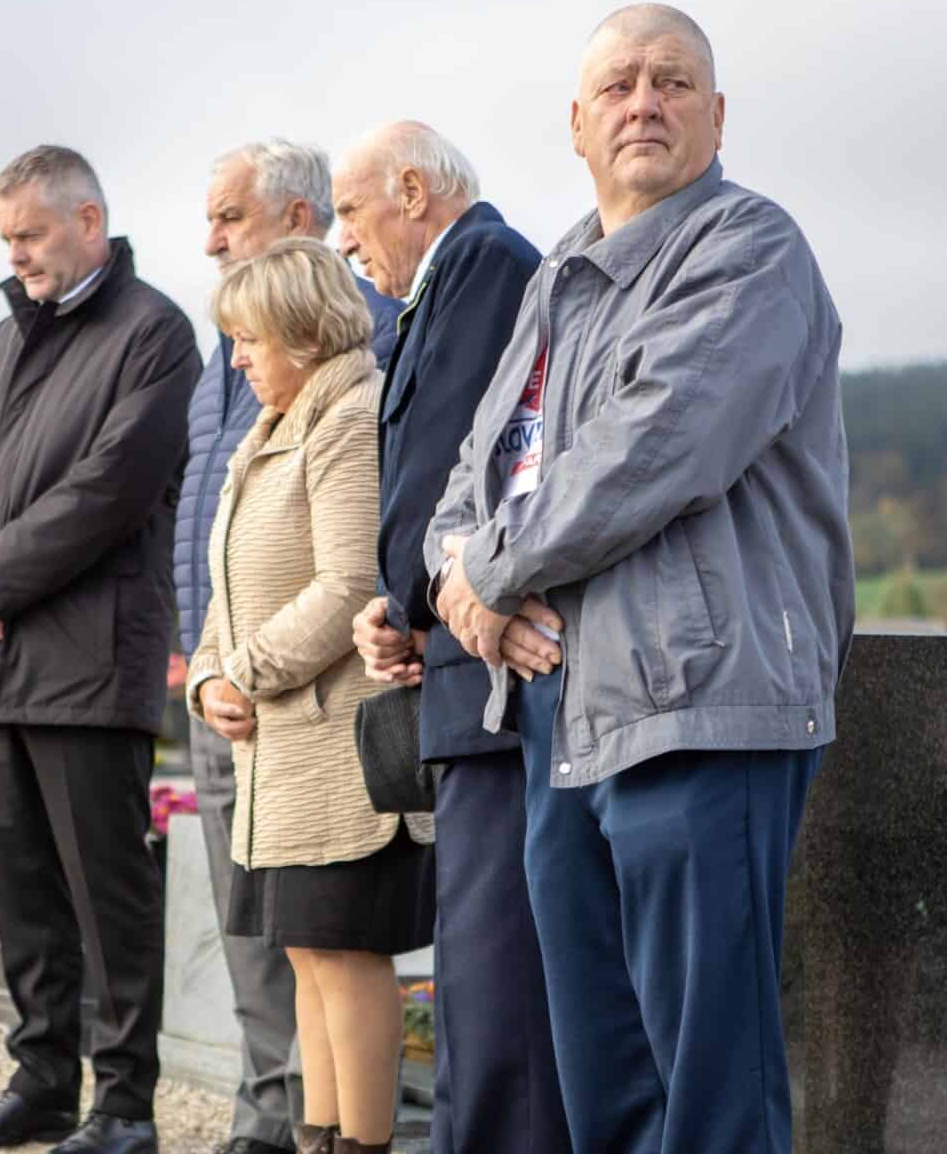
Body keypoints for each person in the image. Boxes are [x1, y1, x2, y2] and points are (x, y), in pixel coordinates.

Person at [426, 4, 853, 1153]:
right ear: (576, 123)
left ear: (715, 114)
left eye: (671, 82)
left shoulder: (749, 249)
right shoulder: (556, 276)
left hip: (699, 707)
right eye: (617, 85)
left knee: (711, 1093)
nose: (643, 103)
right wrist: (459, 585)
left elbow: (653, 448)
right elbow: (473, 474)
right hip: (560, 717)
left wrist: (482, 573)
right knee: (604, 1090)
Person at [0, 145, 199, 1154]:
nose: (15, 254)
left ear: (89, 221)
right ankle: (41, 1083)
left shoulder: (155, 334)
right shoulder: (5, 339)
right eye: (5, 237)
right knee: (24, 891)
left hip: (90, 659)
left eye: (30, 234)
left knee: (106, 896)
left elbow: (111, 488)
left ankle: (124, 1107)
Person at [337, 122, 568, 1154]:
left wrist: (407, 600)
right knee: (477, 976)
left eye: (350, 211)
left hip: (491, 686)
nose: (345, 240)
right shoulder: (446, 278)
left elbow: (453, 467)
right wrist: (400, 607)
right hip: (460, 660)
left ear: (412, 190)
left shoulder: (481, 260)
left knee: (494, 975)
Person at [186, 238, 434, 1154]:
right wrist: (207, 679)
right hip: (281, 755)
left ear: (299, 331)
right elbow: (225, 593)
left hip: (340, 755)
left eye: (248, 339)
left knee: (346, 955)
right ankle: (316, 1141)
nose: (238, 360)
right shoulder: (270, 428)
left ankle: (360, 1147)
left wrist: (243, 672)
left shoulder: (348, 418)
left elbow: (347, 584)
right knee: (307, 956)